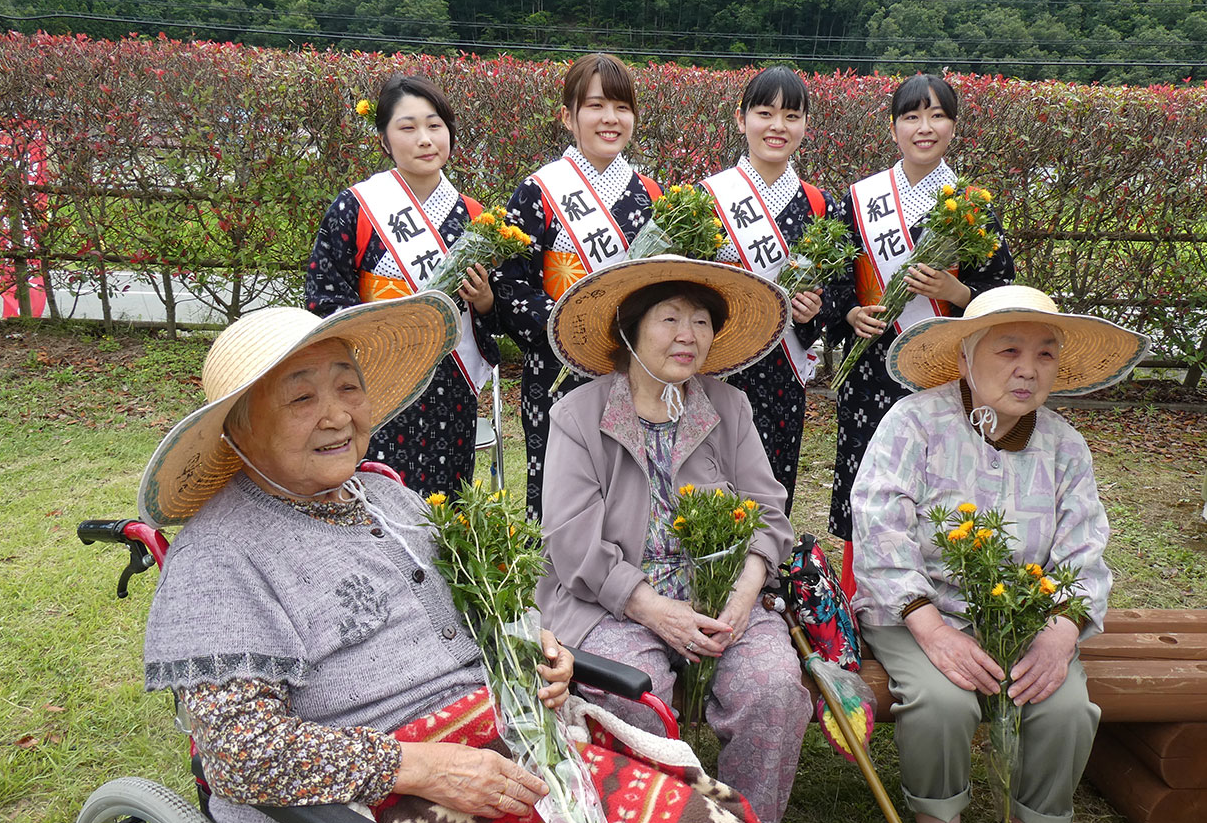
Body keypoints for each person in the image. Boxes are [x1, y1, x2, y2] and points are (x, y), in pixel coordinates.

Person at [139, 296, 767, 823]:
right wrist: (417, 766)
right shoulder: (218, 558)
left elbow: (484, 603)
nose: (337, 414)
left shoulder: (387, 495)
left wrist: (531, 647)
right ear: (239, 431)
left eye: (348, 388)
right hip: (378, 801)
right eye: (301, 400)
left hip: (505, 746)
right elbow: (239, 754)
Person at [847, 285, 1150, 823]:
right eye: (1009, 349)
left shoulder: (1066, 446)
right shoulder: (913, 423)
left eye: (1044, 354)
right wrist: (929, 626)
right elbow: (877, 526)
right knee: (943, 699)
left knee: (1067, 704)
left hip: (1022, 615)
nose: (1027, 368)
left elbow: (1084, 549)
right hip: (914, 609)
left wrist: (1063, 628)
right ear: (965, 359)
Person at [537, 255, 812, 823]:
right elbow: (570, 540)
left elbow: (768, 512)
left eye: (700, 321)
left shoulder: (727, 405)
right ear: (631, 329)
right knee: (638, 688)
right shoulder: (580, 411)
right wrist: (648, 606)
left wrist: (749, 587)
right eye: (669, 318)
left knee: (775, 685)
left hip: (723, 596)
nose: (687, 334)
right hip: (609, 600)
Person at [825, 73, 1015, 593]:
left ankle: (944, 594)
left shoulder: (973, 207)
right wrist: (850, 316)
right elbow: (837, 278)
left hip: (944, 369)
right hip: (871, 369)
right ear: (893, 128)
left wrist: (955, 293)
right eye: (911, 116)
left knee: (945, 479)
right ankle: (857, 595)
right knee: (868, 476)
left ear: (954, 127)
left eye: (937, 116)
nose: (924, 127)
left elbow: (1002, 297)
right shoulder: (862, 198)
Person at [305, 73, 499, 493]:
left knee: (447, 502)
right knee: (375, 496)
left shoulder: (474, 216)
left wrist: (484, 301)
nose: (425, 139)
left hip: (451, 382)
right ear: (384, 139)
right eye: (407, 128)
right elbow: (325, 297)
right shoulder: (356, 207)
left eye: (435, 125)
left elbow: (492, 307)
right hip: (378, 378)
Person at [495, 53, 661, 521]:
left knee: (630, 498)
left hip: (632, 372)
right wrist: (574, 331)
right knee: (558, 499)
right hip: (555, 374)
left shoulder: (651, 195)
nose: (610, 118)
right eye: (595, 106)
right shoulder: (538, 192)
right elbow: (509, 285)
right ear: (568, 116)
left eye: (622, 107)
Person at [699, 66, 836, 514]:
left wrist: (812, 310)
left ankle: (768, 577)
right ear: (741, 119)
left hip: (783, 371)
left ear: (805, 125)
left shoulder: (820, 205)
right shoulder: (707, 200)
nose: (778, 126)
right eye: (765, 112)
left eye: (792, 115)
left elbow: (837, 291)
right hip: (716, 364)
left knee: (772, 489)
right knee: (706, 485)